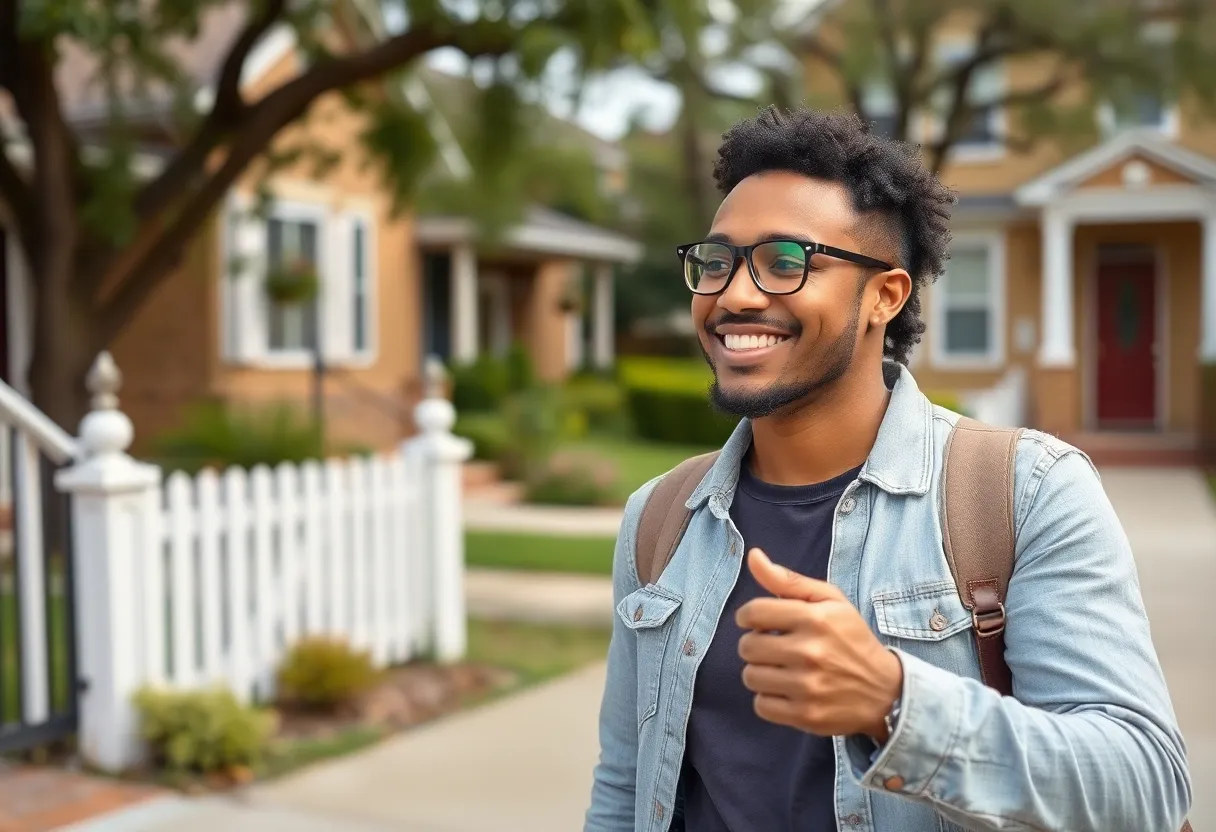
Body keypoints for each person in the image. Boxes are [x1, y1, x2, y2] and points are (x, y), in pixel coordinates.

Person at [582, 107, 1192, 832]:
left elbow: (1144, 781)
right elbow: (624, 789)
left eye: (786, 262)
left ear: (885, 296)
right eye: (716, 263)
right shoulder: (658, 520)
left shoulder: (1024, 494)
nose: (734, 295)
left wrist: (894, 702)